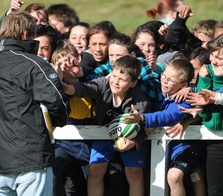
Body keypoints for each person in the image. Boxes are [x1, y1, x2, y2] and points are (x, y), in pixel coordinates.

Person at [0, 11, 68, 196]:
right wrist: (56, 123)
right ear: (26, 34)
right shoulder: (34, 64)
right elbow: (57, 103)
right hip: (31, 158)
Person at [63, 56, 151, 196]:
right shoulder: (104, 84)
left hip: (130, 140)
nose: (115, 82)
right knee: (95, 171)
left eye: (122, 79)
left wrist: (133, 142)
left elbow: (145, 127)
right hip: (103, 135)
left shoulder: (140, 101)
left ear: (133, 83)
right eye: (114, 76)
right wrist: (67, 87)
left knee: (134, 172)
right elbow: (87, 88)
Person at [124, 58, 206, 196]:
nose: (164, 81)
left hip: (186, 147)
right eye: (164, 76)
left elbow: (170, 116)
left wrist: (145, 119)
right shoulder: (160, 94)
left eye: (171, 81)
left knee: (175, 176)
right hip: (164, 148)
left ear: (183, 84)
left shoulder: (185, 99)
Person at [51, 41, 93, 196]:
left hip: (91, 144)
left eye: (70, 60)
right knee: (60, 179)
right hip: (65, 144)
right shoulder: (56, 86)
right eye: (62, 64)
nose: (67, 66)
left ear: (79, 58)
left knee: (93, 181)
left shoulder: (93, 76)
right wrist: (58, 79)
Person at [87, 31, 163, 102]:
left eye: (119, 55)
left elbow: (158, 94)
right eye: (111, 55)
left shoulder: (141, 65)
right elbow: (90, 79)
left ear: (132, 56)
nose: (114, 60)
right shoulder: (110, 65)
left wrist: (132, 81)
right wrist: (104, 81)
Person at [193, 34, 223, 196]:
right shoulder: (206, 71)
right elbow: (202, 104)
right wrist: (204, 80)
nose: (214, 60)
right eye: (212, 55)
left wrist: (219, 80)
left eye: (220, 57)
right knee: (215, 189)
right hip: (214, 139)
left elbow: (218, 96)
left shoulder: (216, 73)